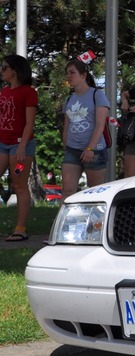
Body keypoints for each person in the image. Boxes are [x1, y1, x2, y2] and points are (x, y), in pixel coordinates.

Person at [0, 54, 38, 242]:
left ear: (15, 70)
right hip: (2, 144)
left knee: (19, 184)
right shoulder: (5, 91)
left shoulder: (28, 92)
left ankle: (20, 229)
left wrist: (22, 146)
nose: (2, 71)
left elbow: (29, 123)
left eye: (5, 67)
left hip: (20, 146)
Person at [61, 59, 110, 201]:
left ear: (83, 75)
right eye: (67, 73)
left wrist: (90, 148)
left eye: (72, 73)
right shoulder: (69, 99)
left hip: (94, 151)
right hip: (72, 150)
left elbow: (100, 125)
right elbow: (66, 126)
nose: (69, 76)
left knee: (95, 192)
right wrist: (66, 146)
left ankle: (96, 223)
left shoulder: (97, 95)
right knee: (67, 190)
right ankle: (64, 222)